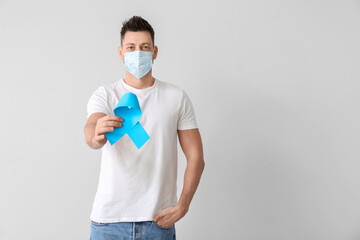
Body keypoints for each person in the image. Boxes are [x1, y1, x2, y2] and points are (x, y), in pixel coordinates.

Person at [83, 16, 205, 240]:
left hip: (158, 221)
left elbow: (196, 157)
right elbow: (91, 133)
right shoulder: (106, 95)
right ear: (120, 52)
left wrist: (183, 206)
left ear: (155, 52)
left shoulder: (176, 97)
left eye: (144, 47)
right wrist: (97, 134)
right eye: (131, 47)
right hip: (108, 222)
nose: (137, 53)